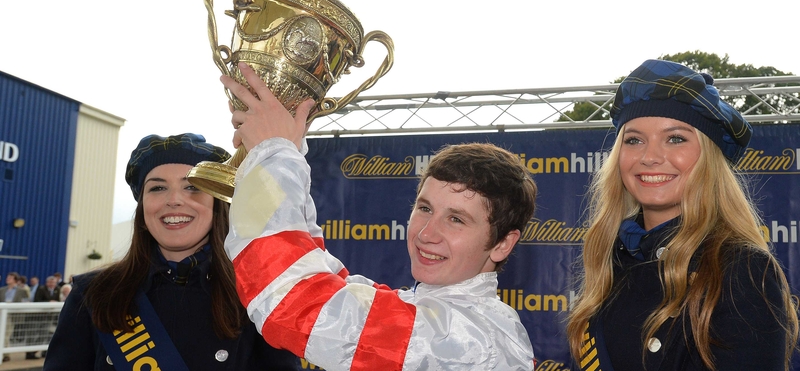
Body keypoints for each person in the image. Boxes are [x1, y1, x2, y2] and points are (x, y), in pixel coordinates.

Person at [220, 63, 538, 370]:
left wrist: (275, 153)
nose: (427, 233)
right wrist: (289, 146)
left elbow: (294, 302)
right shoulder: (440, 315)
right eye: (425, 208)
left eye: (456, 219)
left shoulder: (470, 341)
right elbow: (324, 278)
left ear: (502, 243)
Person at [566, 59, 799, 371]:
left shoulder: (741, 269)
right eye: (634, 140)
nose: (649, 157)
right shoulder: (613, 261)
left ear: (709, 159)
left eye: (675, 138)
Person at [44, 133, 301, 371]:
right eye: (157, 188)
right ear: (142, 207)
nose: (174, 199)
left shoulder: (256, 296)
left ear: (217, 204)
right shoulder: (93, 294)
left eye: (192, 186)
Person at [0, 272, 30, 362]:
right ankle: (4, 353)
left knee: (6, 335)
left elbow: (26, 302)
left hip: (12, 315)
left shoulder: (21, 291)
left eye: (10, 278)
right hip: (1, 314)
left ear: (15, 280)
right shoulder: (2, 290)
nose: (8, 279)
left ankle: (5, 354)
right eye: (8, 277)